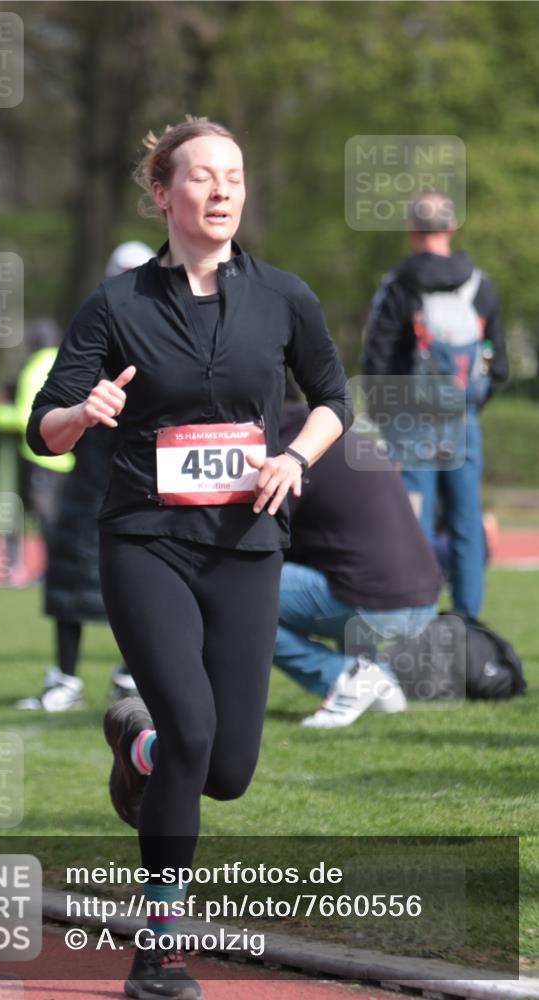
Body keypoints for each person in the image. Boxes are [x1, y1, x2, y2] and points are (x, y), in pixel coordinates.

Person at [26, 116, 351, 1000]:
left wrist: (293, 457)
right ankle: (157, 950)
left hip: (246, 545)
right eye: (201, 177)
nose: (220, 191)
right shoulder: (118, 304)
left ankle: (138, 749)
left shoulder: (283, 296)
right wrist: (82, 411)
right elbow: (43, 431)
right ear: (163, 194)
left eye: (234, 177)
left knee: (228, 772)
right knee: (195, 732)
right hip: (145, 542)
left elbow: (331, 400)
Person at [15, 243, 154, 711]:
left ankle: (133, 674)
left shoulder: (168, 336)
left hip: (147, 482)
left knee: (146, 585)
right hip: (88, 475)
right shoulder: (93, 329)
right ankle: (65, 680)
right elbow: (50, 410)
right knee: (71, 579)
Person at [362, 192, 507, 617]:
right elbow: (498, 364)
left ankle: (418, 620)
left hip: (409, 424)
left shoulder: (398, 284)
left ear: (411, 230)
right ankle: (469, 627)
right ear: (451, 227)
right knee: (466, 525)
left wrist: (383, 415)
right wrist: (470, 404)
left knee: (414, 526)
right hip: (462, 422)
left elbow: (378, 357)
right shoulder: (480, 286)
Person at [274, 399, 442, 728]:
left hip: (375, 602)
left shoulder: (291, 448)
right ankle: (379, 682)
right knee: (348, 567)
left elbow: (268, 535)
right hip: (424, 600)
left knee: (236, 599)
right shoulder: (342, 435)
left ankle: (341, 676)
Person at [0, 318, 74, 585]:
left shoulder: (34, 368)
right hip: (67, 457)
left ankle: (50, 571)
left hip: (39, 456)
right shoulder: (66, 362)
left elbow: (29, 418)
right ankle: (55, 569)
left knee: (45, 518)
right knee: (56, 517)